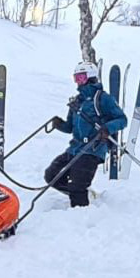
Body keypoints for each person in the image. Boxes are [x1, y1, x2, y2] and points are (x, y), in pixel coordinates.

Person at [45, 61, 126, 207]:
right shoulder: (78, 101)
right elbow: (70, 127)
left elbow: (122, 119)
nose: (78, 82)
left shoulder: (102, 99)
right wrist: (59, 125)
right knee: (51, 175)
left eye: (81, 78)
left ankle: (80, 213)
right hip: (75, 148)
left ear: (91, 77)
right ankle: (82, 194)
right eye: (76, 78)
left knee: (77, 185)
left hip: (93, 149)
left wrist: (107, 128)